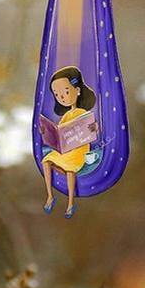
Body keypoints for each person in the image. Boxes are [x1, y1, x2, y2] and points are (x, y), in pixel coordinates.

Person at [41, 66, 96, 218]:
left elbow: (90, 130)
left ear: (77, 90)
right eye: (57, 95)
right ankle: (50, 196)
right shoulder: (66, 116)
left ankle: (70, 203)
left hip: (78, 151)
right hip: (66, 150)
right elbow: (59, 132)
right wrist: (48, 133)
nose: (62, 97)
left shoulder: (82, 113)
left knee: (70, 169)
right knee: (46, 160)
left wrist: (93, 128)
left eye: (65, 92)